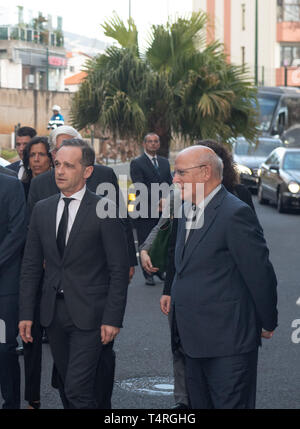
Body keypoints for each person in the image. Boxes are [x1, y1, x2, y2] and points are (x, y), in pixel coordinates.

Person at [27, 126, 137, 409]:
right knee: (67, 386)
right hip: (53, 313)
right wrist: (27, 314)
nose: (60, 171)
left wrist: (113, 319)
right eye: (58, 164)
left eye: (68, 166)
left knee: (77, 389)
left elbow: (118, 269)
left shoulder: (105, 209)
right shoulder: (42, 209)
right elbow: (30, 267)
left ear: (87, 171)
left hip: (91, 316)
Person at [142, 140, 257, 409]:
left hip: (223, 308)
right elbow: (172, 242)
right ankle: (185, 402)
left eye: (183, 171)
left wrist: (262, 317)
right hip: (185, 298)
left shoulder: (237, 200)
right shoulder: (182, 198)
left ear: (212, 168)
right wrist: (168, 287)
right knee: (185, 354)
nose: (177, 177)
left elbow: (252, 260)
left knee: (226, 384)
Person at [167, 145, 278, 409]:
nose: (175, 179)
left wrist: (267, 320)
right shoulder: (185, 210)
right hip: (191, 342)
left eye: (181, 172)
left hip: (228, 344)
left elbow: (259, 273)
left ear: (205, 172)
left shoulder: (234, 213)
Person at [20, 136, 53, 409]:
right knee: (29, 334)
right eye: (33, 155)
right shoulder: (19, 185)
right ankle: (33, 396)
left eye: (42, 154)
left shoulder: (59, 184)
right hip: (29, 266)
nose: (37, 159)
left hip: (55, 270)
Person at [130, 133, 173, 286]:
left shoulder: (164, 162)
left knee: (160, 239)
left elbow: (169, 183)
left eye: (156, 141)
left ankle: (159, 270)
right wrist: (158, 199)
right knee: (145, 241)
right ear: (144, 144)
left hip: (163, 209)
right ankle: (147, 273)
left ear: (159, 144)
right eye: (150, 142)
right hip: (145, 209)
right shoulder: (137, 163)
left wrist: (168, 199)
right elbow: (139, 186)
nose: (153, 144)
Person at [0, 174, 27, 409]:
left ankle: (10, 403)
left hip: (4, 285)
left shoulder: (11, 186)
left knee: (3, 346)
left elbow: (17, 232)